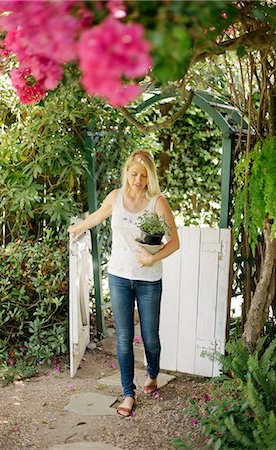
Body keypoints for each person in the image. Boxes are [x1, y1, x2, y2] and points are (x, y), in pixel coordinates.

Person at [68, 150, 179, 417]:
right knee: (124, 338)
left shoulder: (157, 203)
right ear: (126, 172)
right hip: (118, 276)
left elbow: (174, 242)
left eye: (143, 175)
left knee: (150, 339)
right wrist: (77, 228)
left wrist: (153, 259)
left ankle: (152, 373)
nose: (137, 180)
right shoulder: (116, 197)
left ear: (150, 176)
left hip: (149, 280)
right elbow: (98, 216)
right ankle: (128, 394)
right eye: (133, 174)